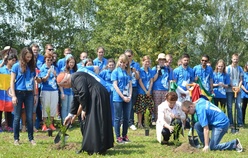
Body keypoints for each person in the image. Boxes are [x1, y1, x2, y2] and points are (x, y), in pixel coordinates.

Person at [58, 71, 114, 155]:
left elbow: (83, 93)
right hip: (94, 96)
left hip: (98, 95)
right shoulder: (74, 81)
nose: (65, 88)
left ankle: (97, 147)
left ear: (65, 82)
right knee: (92, 121)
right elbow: (76, 98)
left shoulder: (77, 78)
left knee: (96, 121)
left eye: (63, 86)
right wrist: (70, 115)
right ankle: (93, 147)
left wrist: (84, 109)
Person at [10, 47, 38, 145]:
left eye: (30, 57)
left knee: (29, 117)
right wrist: (13, 96)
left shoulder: (32, 67)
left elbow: (34, 82)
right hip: (18, 93)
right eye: (27, 57)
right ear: (23, 55)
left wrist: (35, 95)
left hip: (29, 93)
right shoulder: (16, 66)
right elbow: (12, 82)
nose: (29, 59)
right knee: (17, 117)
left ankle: (31, 139)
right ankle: (16, 139)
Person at [111, 54, 132, 143]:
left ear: (127, 63)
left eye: (124, 62)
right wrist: (122, 97)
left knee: (126, 118)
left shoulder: (128, 72)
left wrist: (130, 96)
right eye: (121, 62)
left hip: (127, 97)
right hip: (118, 98)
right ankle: (118, 136)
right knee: (118, 118)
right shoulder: (115, 71)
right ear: (118, 62)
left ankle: (124, 135)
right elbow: (115, 85)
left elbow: (130, 85)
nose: (122, 64)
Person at [39, 53, 59, 131]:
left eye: (51, 60)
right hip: (45, 89)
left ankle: (50, 124)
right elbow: (42, 80)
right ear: (45, 60)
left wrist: (55, 75)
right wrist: (48, 74)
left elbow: (58, 80)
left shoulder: (54, 67)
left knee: (53, 107)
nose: (49, 62)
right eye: (48, 60)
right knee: (45, 107)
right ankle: (44, 124)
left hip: (54, 90)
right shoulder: (43, 68)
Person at [152, 53, 173, 123]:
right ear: (158, 61)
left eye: (163, 60)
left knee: (165, 106)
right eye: (160, 60)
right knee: (156, 106)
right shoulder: (154, 68)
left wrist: (170, 90)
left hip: (165, 90)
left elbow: (170, 80)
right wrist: (158, 72)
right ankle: (157, 120)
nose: (161, 61)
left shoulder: (168, 69)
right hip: (156, 89)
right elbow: (153, 80)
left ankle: (165, 121)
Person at [135, 55, 154, 128]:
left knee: (149, 108)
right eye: (146, 61)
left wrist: (149, 90)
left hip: (149, 92)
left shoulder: (151, 71)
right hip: (141, 91)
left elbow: (151, 81)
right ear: (143, 62)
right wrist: (145, 91)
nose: (147, 63)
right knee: (141, 108)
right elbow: (140, 81)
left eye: (148, 62)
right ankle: (139, 123)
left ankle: (147, 123)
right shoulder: (140, 70)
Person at [0, 53, 17, 132]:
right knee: (0, 110)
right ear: (8, 61)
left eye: (15, 60)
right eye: (12, 60)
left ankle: (9, 126)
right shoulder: (2, 69)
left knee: (9, 110)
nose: (14, 62)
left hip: (9, 93)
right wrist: (2, 62)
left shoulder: (14, 70)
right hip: (1, 93)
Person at [226, 53, 243, 127]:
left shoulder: (240, 68)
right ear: (231, 59)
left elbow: (241, 79)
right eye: (234, 59)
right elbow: (227, 79)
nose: (235, 60)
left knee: (239, 106)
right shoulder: (228, 68)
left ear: (238, 59)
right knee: (229, 106)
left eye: (236, 59)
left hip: (238, 90)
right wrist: (233, 87)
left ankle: (240, 123)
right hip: (230, 90)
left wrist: (238, 87)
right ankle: (231, 123)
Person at [125, 49, 140, 131]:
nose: (128, 57)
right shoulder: (123, 63)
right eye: (126, 56)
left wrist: (135, 72)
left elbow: (138, 78)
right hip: (125, 87)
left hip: (133, 87)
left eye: (129, 56)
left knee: (131, 106)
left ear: (132, 56)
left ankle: (131, 122)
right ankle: (123, 122)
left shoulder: (136, 65)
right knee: (124, 105)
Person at [59, 55, 77, 123]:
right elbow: (60, 82)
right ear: (67, 62)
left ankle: (69, 122)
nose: (72, 64)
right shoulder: (63, 70)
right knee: (64, 107)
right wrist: (62, 92)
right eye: (70, 62)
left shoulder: (75, 70)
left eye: (73, 62)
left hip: (72, 92)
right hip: (65, 92)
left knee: (70, 107)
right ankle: (64, 122)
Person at [99, 58, 116, 125]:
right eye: (110, 65)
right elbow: (99, 79)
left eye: (112, 65)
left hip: (114, 92)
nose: (111, 66)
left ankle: (113, 122)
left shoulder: (116, 72)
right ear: (107, 65)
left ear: (114, 65)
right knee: (105, 107)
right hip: (106, 92)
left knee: (113, 107)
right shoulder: (104, 72)